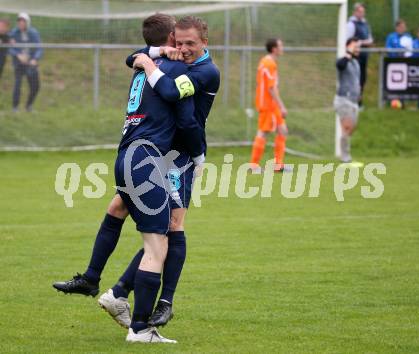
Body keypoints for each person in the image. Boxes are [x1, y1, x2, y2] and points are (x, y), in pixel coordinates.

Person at [53, 15, 220, 335]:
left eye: (190, 44)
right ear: (172, 39)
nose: (184, 49)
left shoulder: (203, 70)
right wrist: (149, 55)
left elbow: (176, 102)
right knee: (131, 214)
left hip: (180, 154)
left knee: (170, 226)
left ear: (204, 44)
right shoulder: (169, 59)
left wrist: (198, 155)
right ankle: (104, 286)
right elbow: (134, 56)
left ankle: (157, 301)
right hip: (154, 153)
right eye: (180, 43)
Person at [249, 38, 289, 172]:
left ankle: (278, 165)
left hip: (271, 104)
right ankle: (254, 165)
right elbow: (271, 88)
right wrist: (282, 106)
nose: (282, 48)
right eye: (280, 46)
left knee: (283, 130)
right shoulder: (269, 64)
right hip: (268, 104)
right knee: (263, 131)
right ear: (274, 49)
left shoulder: (265, 61)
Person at [334, 37, 361, 163]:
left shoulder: (356, 63)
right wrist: (348, 53)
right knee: (347, 127)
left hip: (354, 101)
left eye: (358, 46)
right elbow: (340, 65)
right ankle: (345, 157)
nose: (358, 49)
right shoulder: (343, 60)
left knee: (351, 128)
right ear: (348, 47)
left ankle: (345, 154)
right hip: (343, 99)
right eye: (355, 46)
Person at [9, 13, 42, 112]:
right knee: (17, 84)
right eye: (19, 21)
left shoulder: (34, 33)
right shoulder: (13, 33)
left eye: (23, 21)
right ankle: (15, 107)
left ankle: (29, 106)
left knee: (35, 86)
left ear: (27, 22)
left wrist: (35, 59)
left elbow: (39, 48)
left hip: (30, 63)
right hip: (19, 64)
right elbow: (9, 47)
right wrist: (18, 55)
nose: (21, 23)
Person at [346, 3, 373, 107]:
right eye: (360, 11)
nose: (362, 14)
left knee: (362, 79)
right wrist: (360, 43)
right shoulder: (351, 24)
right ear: (355, 12)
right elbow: (348, 40)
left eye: (363, 12)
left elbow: (370, 40)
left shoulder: (365, 24)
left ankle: (359, 102)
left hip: (364, 56)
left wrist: (362, 42)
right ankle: (352, 101)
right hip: (354, 57)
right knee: (353, 79)